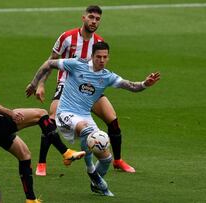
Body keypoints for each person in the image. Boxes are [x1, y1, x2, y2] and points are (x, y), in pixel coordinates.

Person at [0, 18, 85, 203]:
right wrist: (10, 113)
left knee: (24, 154)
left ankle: (30, 200)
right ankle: (65, 153)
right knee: (41, 114)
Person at [26, 41, 160, 195]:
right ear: (92, 56)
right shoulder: (77, 64)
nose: (102, 60)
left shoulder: (107, 76)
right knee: (86, 128)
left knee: (106, 158)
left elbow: (131, 86)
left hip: (84, 116)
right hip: (65, 113)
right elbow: (49, 63)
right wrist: (34, 83)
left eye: (105, 57)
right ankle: (90, 170)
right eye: (98, 57)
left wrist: (145, 83)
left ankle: (95, 185)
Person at [33, 5, 135, 176]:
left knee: (112, 118)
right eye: (91, 17)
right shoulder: (67, 37)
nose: (94, 21)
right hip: (67, 86)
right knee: (51, 119)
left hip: (91, 89)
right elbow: (52, 60)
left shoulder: (98, 43)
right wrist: (41, 84)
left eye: (97, 19)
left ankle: (117, 160)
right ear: (83, 18)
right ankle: (42, 163)